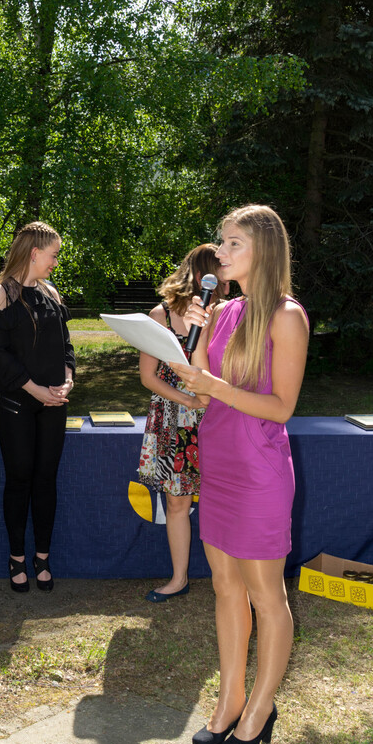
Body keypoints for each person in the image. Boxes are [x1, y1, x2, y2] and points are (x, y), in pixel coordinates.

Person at [173, 204, 309, 744]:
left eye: (234, 244)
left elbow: (281, 407)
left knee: (265, 595)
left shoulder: (286, 315)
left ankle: (259, 707)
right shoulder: (224, 310)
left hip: (259, 472)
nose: (221, 252)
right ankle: (229, 700)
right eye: (221, 242)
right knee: (225, 587)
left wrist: (215, 387)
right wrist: (193, 339)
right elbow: (200, 389)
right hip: (220, 463)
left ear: (264, 250)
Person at [0, 222, 75, 593]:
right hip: (16, 402)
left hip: (53, 402)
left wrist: (68, 379)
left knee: (46, 479)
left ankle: (43, 557)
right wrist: (34, 390)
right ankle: (16, 557)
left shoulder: (51, 292)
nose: (55, 262)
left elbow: (66, 345)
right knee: (20, 478)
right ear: (34, 253)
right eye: (53, 255)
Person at [137, 244, 225, 602]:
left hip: (220, 415)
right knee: (177, 504)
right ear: (204, 275)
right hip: (174, 419)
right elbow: (148, 377)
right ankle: (179, 579)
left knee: (226, 499)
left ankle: (237, 584)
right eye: (221, 274)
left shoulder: (227, 313)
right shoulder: (160, 315)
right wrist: (189, 400)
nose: (227, 282)